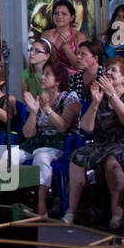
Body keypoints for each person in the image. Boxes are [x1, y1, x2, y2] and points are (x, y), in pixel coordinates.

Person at [64, 58, 124, 229]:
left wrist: (112, 95)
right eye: (106, 70)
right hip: (100, 144)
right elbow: (86, 127)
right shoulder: (100, 96)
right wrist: (95, 103)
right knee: (78, 157)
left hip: (123, 145)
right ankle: (71, 211)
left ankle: (117, 214)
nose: (108, 73)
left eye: (113, 70)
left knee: (113, 161)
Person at [15, 62, 81, 217]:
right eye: (42, 74)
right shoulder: (41, 98)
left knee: (41, 157)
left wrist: (47, 110)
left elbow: (63, 127)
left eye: (47, 74)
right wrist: (33, 112)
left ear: (58, 81)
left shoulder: (70, 97)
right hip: (38, 141)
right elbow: (28, 134)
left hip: (60, 142)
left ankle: (41, 205)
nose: (42, 77)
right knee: (10, 156)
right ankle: (15, 201)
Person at [43, 0, 88, 72]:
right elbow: (43, 60)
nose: (59, 16)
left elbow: (80, 66)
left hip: (73, 77)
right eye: (56, 13)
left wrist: (65, 46)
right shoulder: (46, 35)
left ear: (72, 18)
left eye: (64, 14)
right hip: (52, 75)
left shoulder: (79, 36)